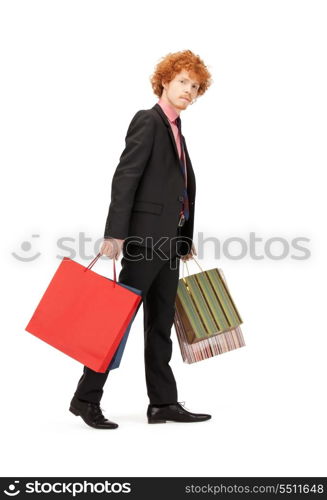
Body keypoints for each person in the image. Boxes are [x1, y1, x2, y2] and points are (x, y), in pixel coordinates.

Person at [69, 50, 213, 429]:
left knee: (161, 323)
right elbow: (125, 178)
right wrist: (115, 234)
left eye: (195, 86)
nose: (189, 91)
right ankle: (85, 399)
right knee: (115, 322)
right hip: (142, 242)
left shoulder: (177, 129)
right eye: (183, 82)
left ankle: (163, 403)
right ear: (165, 81)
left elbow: (177, 190)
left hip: (168, 244)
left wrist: (183, 237)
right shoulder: (148, 122)